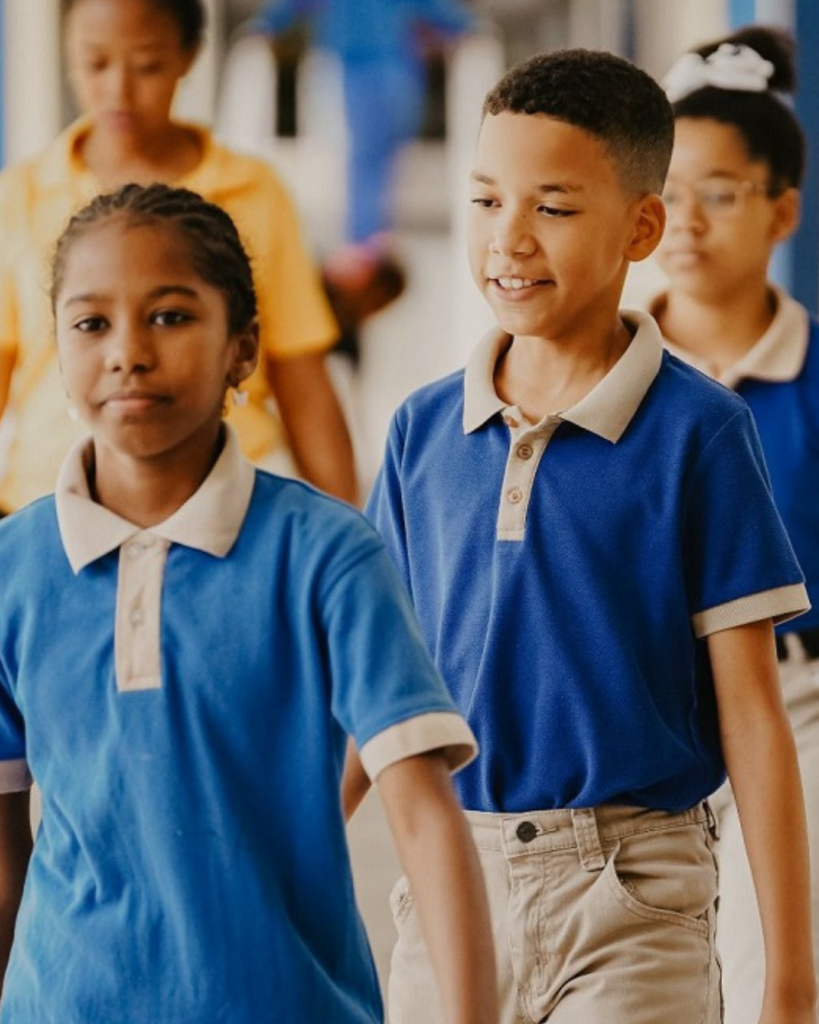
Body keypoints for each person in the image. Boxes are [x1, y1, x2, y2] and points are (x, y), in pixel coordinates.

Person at [356, 48, 817, 1023]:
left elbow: (753, 716)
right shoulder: (422, 432)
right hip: (451, 874)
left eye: (553, 208)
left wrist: (790, 982)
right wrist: (292, 860)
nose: (509, 240)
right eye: (486, 202)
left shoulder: (701, 431)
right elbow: (371, 686)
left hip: (633, 886)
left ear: (640, 227)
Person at [0, 181, 497, 1023]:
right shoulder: (14, 566)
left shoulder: (327, 553)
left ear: (242, 348)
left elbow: (423, 817)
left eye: (170, 315)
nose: (127, 351)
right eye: (91, 323)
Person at [0, 0, 357, 513]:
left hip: (228, 512)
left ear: (188, 56)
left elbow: (304, 382)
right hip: (49, 505)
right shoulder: (20, 197)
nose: (119, 91)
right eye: (96, 63)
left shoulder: (252, 192)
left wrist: (352, 535)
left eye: (146, 65)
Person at [650, 25, 819, 1024]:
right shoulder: (604, 375)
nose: (687, 220)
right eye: (667, 192)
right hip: (644, 723)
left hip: (798, 716)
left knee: (768, 976)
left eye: (718, 192)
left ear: (781, 209)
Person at [250, 0, 476, 350]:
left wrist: (463, 27)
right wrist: (267, 24)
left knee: (375, 158)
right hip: (366, 64)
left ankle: (367, 244)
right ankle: (364, 245)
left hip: (385, 63)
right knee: (365, 159)